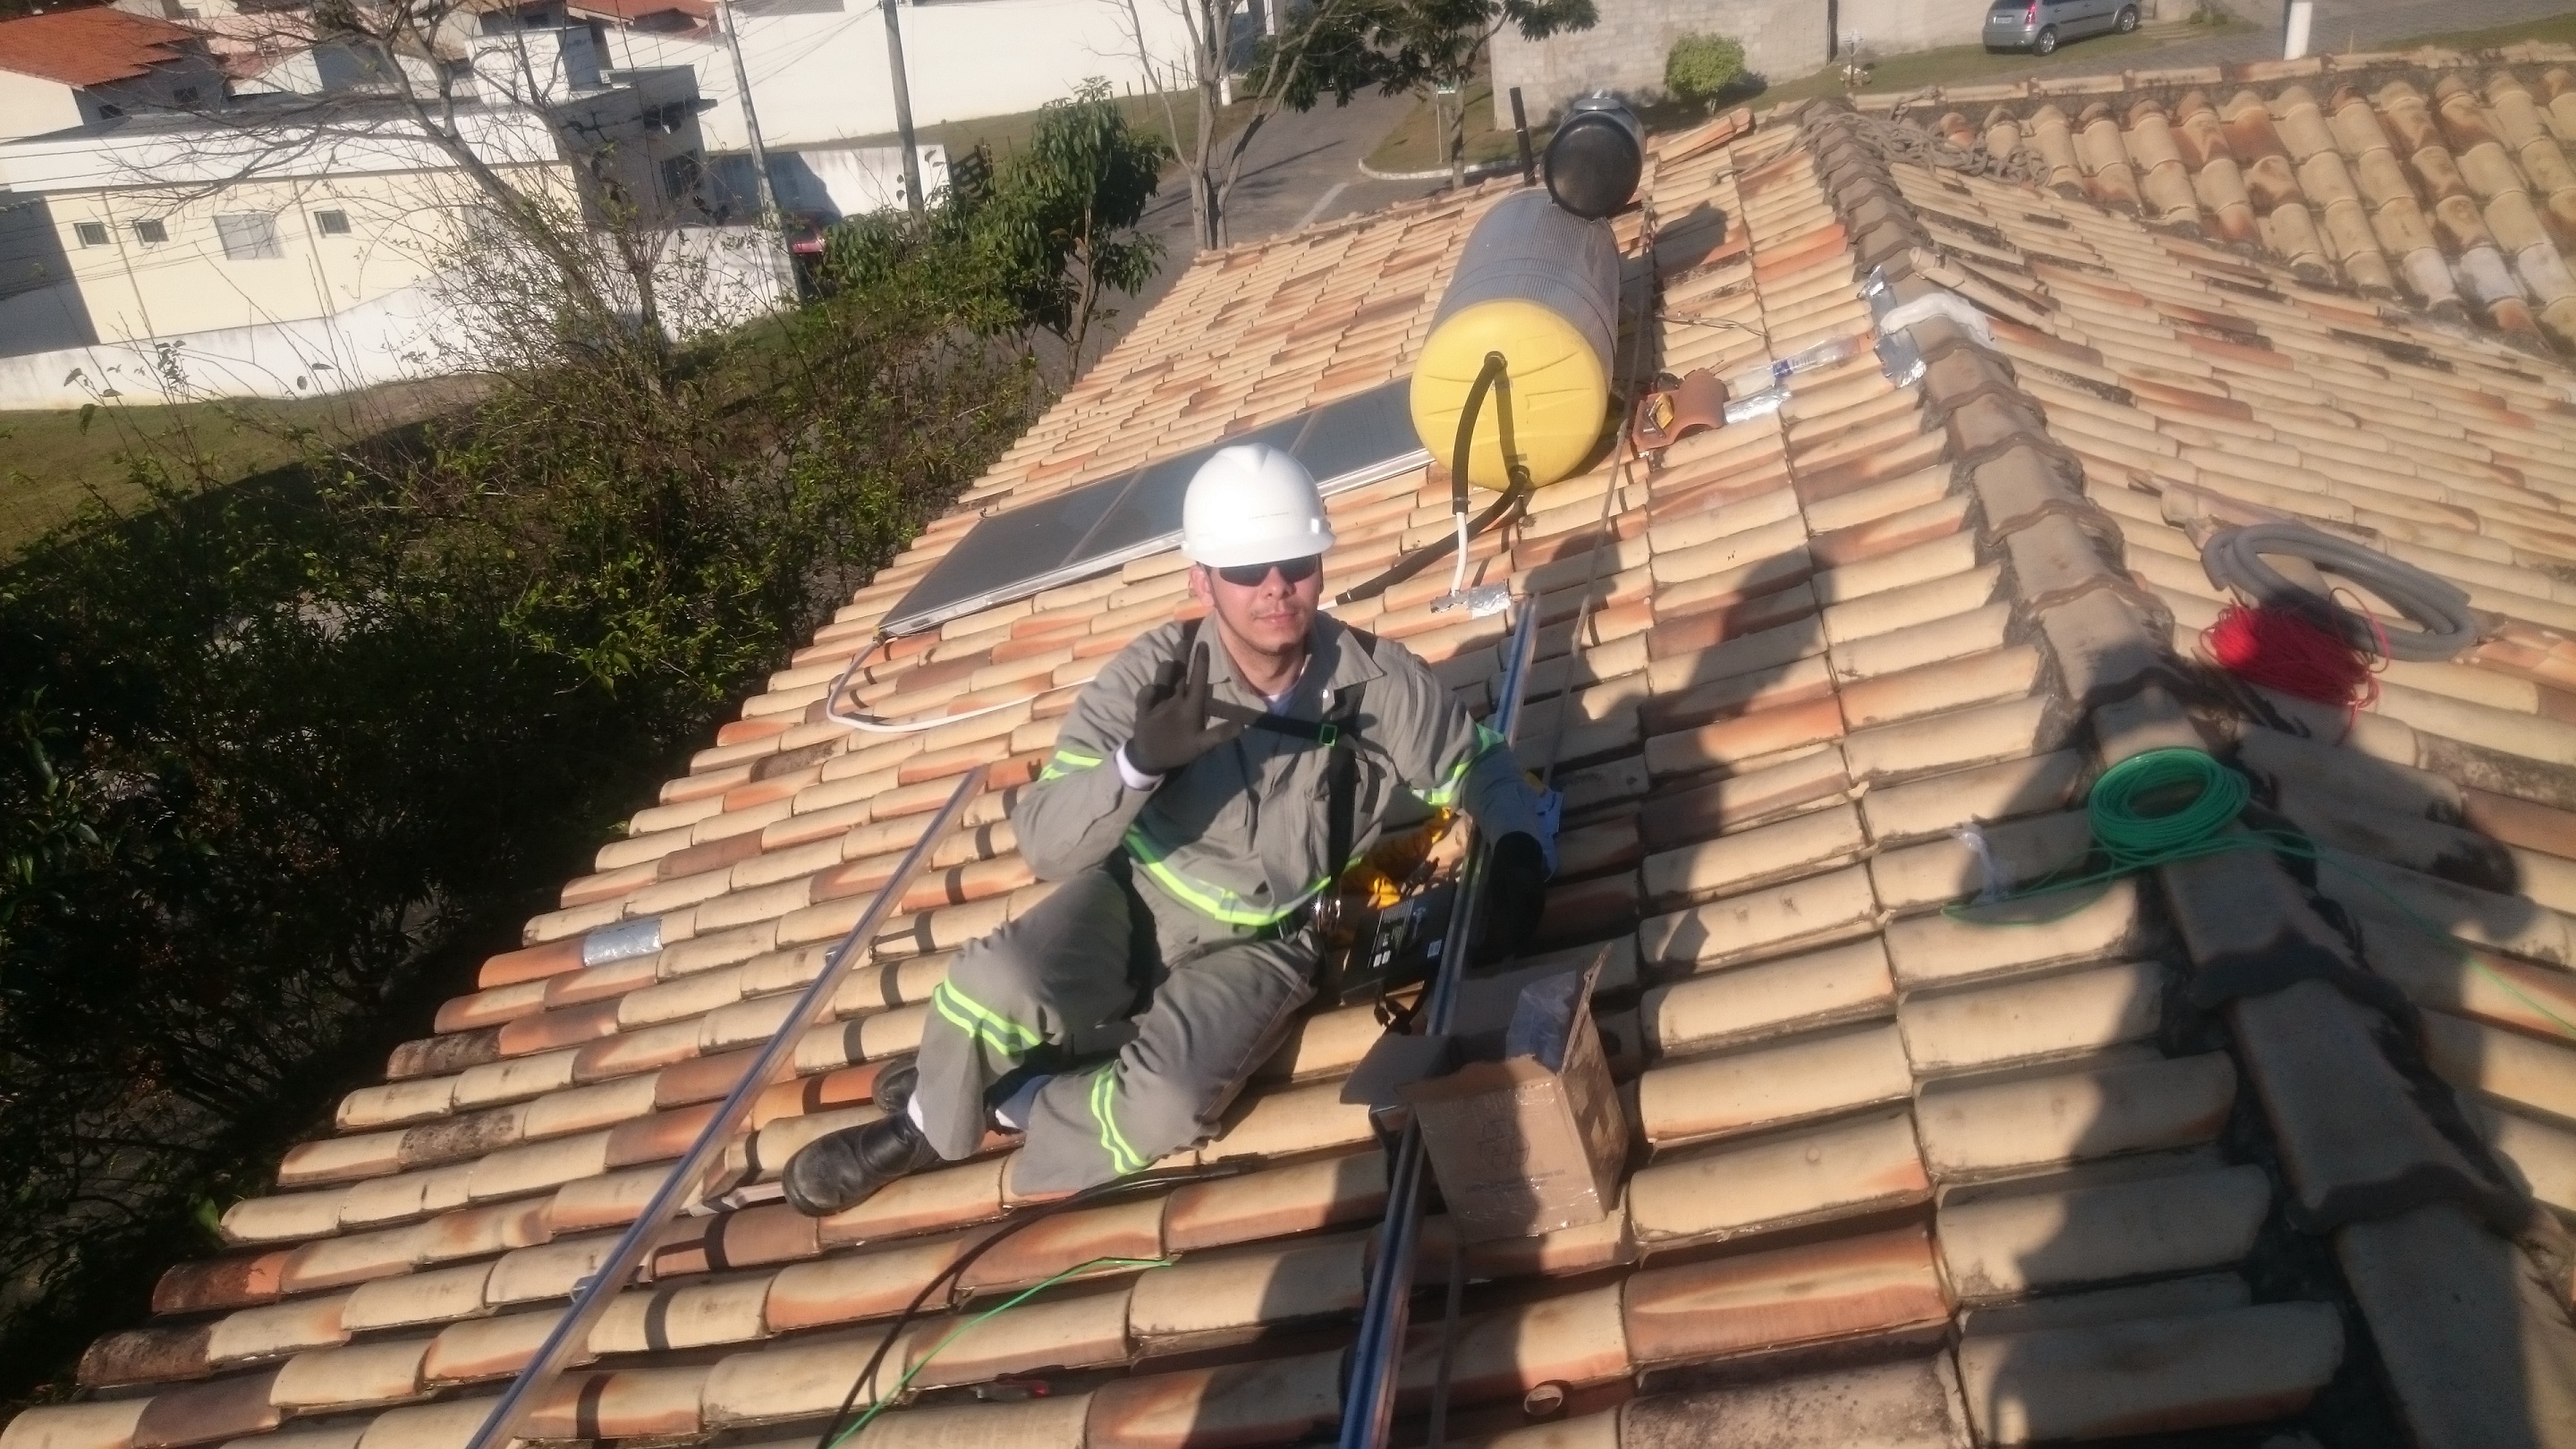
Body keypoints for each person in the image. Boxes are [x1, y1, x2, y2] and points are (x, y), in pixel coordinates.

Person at [782, 443, 1551, 1213]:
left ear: (1320, 565)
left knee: (1169, 1106)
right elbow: (1045, 840)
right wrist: (1136, 763)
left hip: (1267, 939)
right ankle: (923, 1126)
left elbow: (1478, 763)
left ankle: (998, 1100)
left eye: (1295, 562)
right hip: (1134, 896)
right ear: (1202, 579)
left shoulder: (1379, 684)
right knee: (996, 983)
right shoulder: (1151, 676)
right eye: (1245, 569)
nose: (1275, 586)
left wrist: (1517, 845)